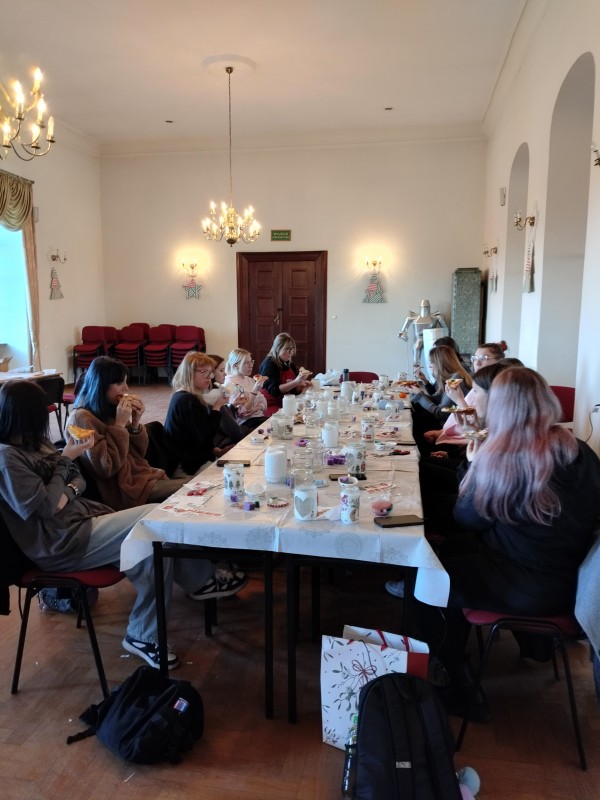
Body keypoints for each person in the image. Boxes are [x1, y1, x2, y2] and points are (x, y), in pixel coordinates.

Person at [0, 380, 241, 670]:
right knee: (154, 520)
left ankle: (146, 631)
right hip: (61, 542)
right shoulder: (7, 457)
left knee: (151, 548)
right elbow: (47, 505)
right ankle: (197, 583)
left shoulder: (34, 443)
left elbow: (78, 478)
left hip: (80, 521)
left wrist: (66, 491)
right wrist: (64, 464)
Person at [411, 367, 600, 719]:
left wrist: (473, 466)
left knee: (422, 581)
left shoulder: (508, 456)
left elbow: (467, 519)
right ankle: (533, 646)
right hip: (570, 579)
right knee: (449, 553)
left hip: (524, 582)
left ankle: (462, 689)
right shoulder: (579, 449)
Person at [68, 357, 188, 510]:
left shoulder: (111, 408)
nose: (126, 388)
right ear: (101, 384)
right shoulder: (81, 418)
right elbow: (106, 468)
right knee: (193, 487)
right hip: (123, 490)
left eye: (126, 381)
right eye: (119, 383)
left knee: (198, 486)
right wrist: (119, 425)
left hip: (141, 477)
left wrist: (135, 423)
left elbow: (138, 454)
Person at [164, 351, 233, 475]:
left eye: (210, 372)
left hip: (193, 457)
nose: (209, 377)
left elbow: (196, 436)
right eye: (204, 372)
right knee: (233, 474)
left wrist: (216, 451)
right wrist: (217, 406)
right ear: (190, 373)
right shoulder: (187, 400)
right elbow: (206, 436)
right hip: (186, 465)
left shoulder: (187, 396)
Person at [407, 345, 472, 450]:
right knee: (414, 414)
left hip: (447, 428)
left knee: (414, 422)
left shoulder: (455, 380)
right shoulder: (454, 376)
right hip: (448, 425)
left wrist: (419, 395)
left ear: (440, 364)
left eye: (431, 363)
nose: (430, 366)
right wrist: (417, 392)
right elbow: (437, 399)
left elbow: (440, 413)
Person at [258, 333, 312, 416]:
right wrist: (296, 382)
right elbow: (275, 390)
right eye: (286, 349)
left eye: (291, 349)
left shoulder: (290, 364)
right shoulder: (269, 364)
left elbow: (293, 391)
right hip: (269, 404)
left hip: (286, 403)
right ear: (277, 349)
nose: (290, 353)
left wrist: (301, 386)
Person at [224, 348, 268, 433]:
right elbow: (242, 413)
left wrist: (255, 409)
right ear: (236, 365)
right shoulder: (230, 384)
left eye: (251, 362)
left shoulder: (249, 380)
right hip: (246, 424)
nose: (251, 365)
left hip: (259, 418)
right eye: (246, 363)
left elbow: (264, 403)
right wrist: (254, 391)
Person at [398, 299, 448, 367]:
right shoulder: (412, 318)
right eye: (423, 308)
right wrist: (403, 335)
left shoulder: (436, 317)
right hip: (419, 338)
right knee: (416, 348)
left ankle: (433, 367)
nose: (424, 309)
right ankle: (416, 366)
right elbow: (402, 331)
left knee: (434, 355)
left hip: (431, 339)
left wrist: (444, 339)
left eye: (426, 308)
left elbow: (445, 329)